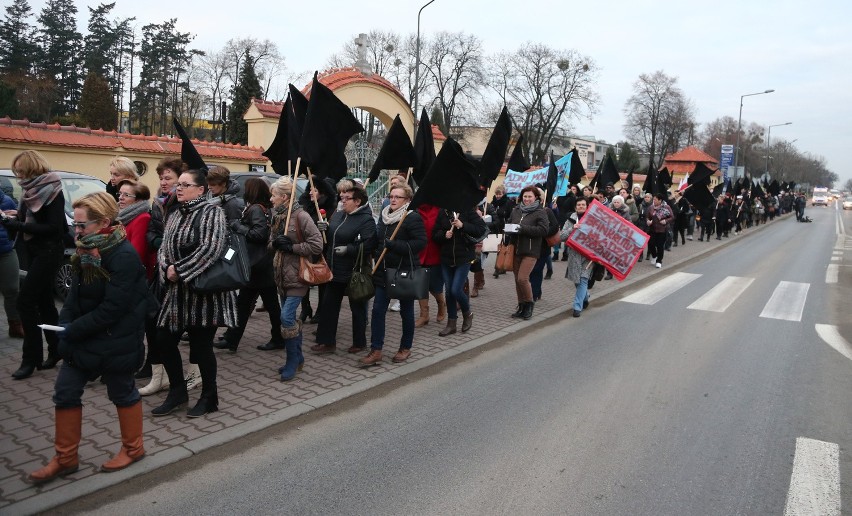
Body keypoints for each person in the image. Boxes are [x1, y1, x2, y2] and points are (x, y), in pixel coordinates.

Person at [27, 191, 149, 485]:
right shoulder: (85, 250)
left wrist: (74, 329)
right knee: (65, 392)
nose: (76, 231)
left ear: (104, 222)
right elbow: (74, 296)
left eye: (82, 225)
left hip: (115, 338)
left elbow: (113, 309)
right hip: (84, 336)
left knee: (122, 393)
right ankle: (66, 458)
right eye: (76, 224)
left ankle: (134, 449)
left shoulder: (123, 255)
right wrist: (65, 322)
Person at [151, 168, 237, 418]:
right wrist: (166, 267)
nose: (179, 188)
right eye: (178, 184)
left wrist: (180, 270)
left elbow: (211, 249)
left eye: (185, 185)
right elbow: (164, 246)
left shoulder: (213, 213)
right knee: (164, 339)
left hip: (204, 295)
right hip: (176, 295)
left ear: (201, 189)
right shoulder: (176, 213)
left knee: (201, 348)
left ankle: (210, 396)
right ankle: (178, 392)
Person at [2, 151, 67, 380]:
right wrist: (13, 218)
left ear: (31, 169)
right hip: (34, 251)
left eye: (20, 171)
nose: (18, 176)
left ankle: (30, 358)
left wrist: (17, 225)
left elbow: (54, 229)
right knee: (44, 301)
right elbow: (29, 218)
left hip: (49, 252)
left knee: (25, 301)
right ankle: (57, 349)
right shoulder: (30, 190)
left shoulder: (52, 189)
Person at [214, 178, 287, 354]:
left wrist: (238, 225)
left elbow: (259, 234)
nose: (244, 191)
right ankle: (233, 338)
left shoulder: (255, 209)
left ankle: (276, 338)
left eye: (247, 188)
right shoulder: (262, 208)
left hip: (258, 265)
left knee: (258, 305)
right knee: (252, 304)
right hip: (260, 265)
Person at [264, 176, 324, 380]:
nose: (271, 199)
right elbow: (270, 244)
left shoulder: (301, 216)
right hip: (281, 276)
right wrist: (277, 244)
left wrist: (292, 247)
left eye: (273, 195)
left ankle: (291, 361)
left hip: (299, 275)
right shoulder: (277, 216)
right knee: (289, 318)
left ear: (284, 197)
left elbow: (317, 245)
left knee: (286, 317)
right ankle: (298, 359)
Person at [360, 184, 426, 366]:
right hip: (383, 271)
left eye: (398, 197)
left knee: (406, 312)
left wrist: (395, 246)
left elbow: (420, 243)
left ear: (408, 200)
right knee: (377, 310)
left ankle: (405, 347)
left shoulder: (412, 218)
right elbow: (378, 240)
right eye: (391, 196)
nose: (393, 199)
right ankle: (376, 350)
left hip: (403, 272)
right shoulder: (384, 216)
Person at [138, 157, 185, 394]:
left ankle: (172, 377)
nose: (163, 182)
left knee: (169, 329)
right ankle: (158, 373)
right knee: (152, 319)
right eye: (161, 177)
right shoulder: (158, 203)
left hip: (178, 272)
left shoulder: (183, 203)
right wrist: (161, 242)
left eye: (168, 178)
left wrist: (165, 243)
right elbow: (151, 233)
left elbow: (183, 240)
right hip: (160, 269)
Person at [311, 184, 376, 354]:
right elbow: (330, 237)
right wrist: (323, 229)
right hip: (334, 269)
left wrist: (350, 249)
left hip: (354, 271)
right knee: (329, 306)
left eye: (347, 198)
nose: (343, 201)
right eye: (341, 197)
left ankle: (360, 342)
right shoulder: (339, 215)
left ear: (357, 201)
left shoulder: (366, 219)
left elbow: (368, 244)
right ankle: (327, 342)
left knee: (358, 308)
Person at [433, 206, 488, 336]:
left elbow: (480, 229)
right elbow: (435, 234)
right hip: (446, 258)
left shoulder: (467, 211)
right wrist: (444, 235)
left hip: (464, 257)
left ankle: (467, 313)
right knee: (449, 293)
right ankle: (451, 324)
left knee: (455, 289)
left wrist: (463, 225)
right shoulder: (443, 212)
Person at [560, 198, 594, 317]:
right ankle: (585, 296)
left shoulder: (593, 219)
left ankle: (577, 307)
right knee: (577, 281)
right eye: (578, 205)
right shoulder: (570, 220)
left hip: (588, 256)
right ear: (575, 207)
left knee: (583, 279)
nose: (580, 206)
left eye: (583, 205)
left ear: (587, 206)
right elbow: (562, 236)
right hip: (574, 255)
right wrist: (572, 228)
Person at [415, 203, 447, 327]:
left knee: (435, 286)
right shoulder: (416, 211)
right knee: (420, 286)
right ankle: (424, 315)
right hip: (419, 253)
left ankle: (441, 303)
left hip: (436, 253)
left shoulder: (440, 210)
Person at [0, 186, 23, 338]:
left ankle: (15, 325)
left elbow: (16, 225)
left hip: (6, 251)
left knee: (12, 289)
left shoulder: (7, 201)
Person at [647, 193, 674, 268]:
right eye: (653, 199)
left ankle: (659, 261)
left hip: (662, 230)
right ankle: (654, 256)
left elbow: (671, 217)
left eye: (655, 199)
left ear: (660, 200)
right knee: (650, 244)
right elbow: (648, 217)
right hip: (652, 229)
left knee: (660, 246)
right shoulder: (651, 208)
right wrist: (648, 221)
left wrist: (665, 221)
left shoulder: (666, 207)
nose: (654, 201)